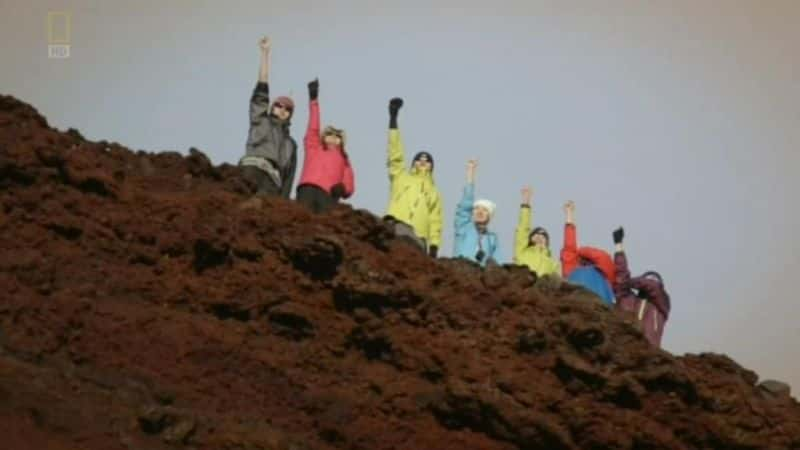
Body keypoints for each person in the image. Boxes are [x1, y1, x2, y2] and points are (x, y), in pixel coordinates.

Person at [238, 37, 298, 200]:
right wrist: (265, 54)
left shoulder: (291, 144)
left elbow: (289, 178)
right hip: (252, 169)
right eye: (279, 105)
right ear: (272, 107)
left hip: (272, 183)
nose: (283, 109)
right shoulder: (261, 119)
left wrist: (283, 202)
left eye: (288, 109)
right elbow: (262, 88)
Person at [384, 97, 443, 256]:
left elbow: (435, 220)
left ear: (432, 167)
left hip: (419, 236)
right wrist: (393, 120)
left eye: (427, 160)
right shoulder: (400, 176)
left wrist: (434, 246)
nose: (423, 162)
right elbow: (395, 154)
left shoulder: (434, 191)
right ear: (413, 164)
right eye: (419, 159)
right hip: (397, 226)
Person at [295, 78, 354, 213]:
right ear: (323, 137)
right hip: (307, 188)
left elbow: (349, 182)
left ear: (342, 141)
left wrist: (343, 188)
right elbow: (313, 127)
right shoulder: (314, 147)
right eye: (330, 134)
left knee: (322, 225)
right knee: (300, 219)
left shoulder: (344, 160)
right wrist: (313, 100)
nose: (333, 137)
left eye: (337, 136)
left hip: (328, 194)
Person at [612, 227, 671, 347]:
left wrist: (630, 282)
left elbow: (652, 287)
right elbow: (620, 279)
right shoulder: (630, 300)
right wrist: (619, 246)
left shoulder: (662, 305)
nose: (649, 281)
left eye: (653, 279)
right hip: (624, 350)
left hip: (649, 354)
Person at [560, 201, 615, 305]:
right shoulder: (572, 270)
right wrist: (569, 215)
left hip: (600, 305)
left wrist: (581, 250)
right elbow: (569, 247)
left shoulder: (604, 272)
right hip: (579, 307)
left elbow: (603, 257)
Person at [453, 160, 501, 266]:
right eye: (477, 209)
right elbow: (464, 209)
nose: (480, 212)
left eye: (484, 210)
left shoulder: (492, 239)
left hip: (480, 279)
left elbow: (498, 264)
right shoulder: (464, 227)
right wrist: (470, 177)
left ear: (489, 216)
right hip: (459, 274)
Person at [514, 186, 559, 277]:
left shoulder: (553, 263)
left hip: (542, 290)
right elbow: (523, 229)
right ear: (530, 238)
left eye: (543, 236)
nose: (539, 236)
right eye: (536, 234)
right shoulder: (522, 252)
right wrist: (526, 203)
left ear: (547, 241)